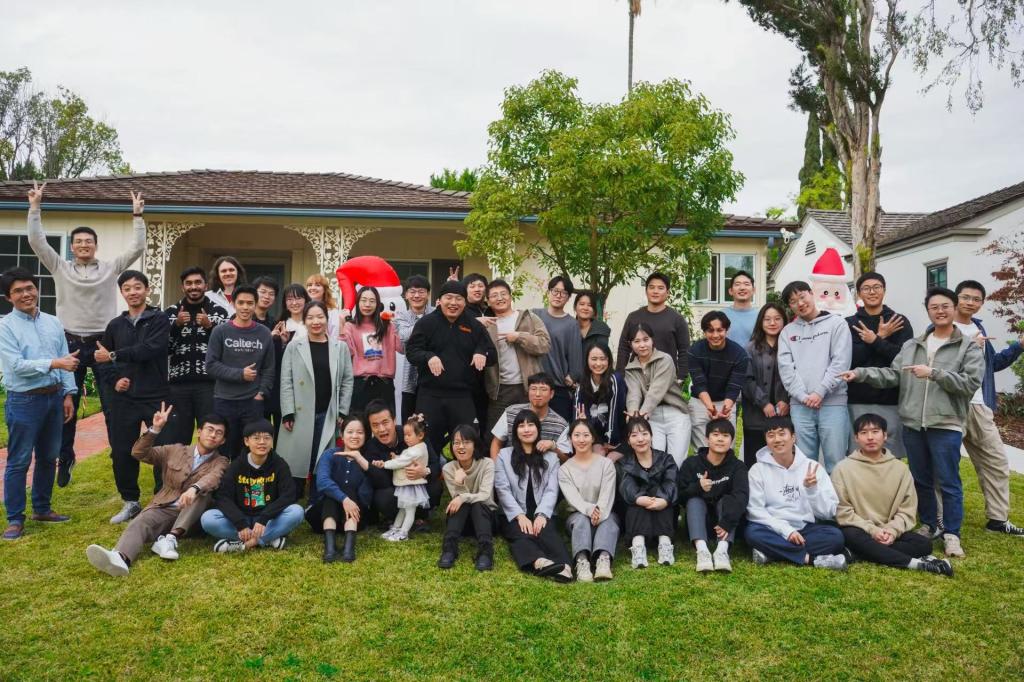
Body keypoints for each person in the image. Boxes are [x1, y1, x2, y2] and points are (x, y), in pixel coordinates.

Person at [842, 287, 984, 558]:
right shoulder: (913, 345)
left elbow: (970, 383)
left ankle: (952, 534)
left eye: (945, 306)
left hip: (945, 422)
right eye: (934, 307)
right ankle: (929, 524)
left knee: (949, 480)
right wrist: (860, 373)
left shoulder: (967, 347)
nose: (940, 311)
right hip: (913, 423)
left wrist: (934, 373)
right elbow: (893, 375)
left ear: (954, 309)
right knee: (921, 479)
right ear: (928, 311)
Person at [26, 182, 144, 489]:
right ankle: (65, 457)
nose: (83, 245)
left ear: (95, 245)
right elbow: (37, 242)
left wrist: (137, 216)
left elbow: (136, 249)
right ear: (72, 246)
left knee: (112, 404)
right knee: (67, 404)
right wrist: (35, 207)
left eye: (88, 241)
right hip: (70, 344)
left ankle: (118, 452)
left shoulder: (110, 269)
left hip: (103, 343)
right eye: (78, 241)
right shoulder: (60, 267)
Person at [85, 405, 229, 576]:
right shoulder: (175, 450)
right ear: (199, 432)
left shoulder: (221, 461)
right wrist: (155, 429)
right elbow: (139, 453)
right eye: (209, 430)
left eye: (218, 433)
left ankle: (171, 539)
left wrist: (194, 488)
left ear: (223, 441)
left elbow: (213, 478)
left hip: (194, 517)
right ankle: (120, 558)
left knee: (203, 493)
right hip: (165, 505)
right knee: (141, 521)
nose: (213, 435)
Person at [0, 267, 77, 540]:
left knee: (48, 457)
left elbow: (66, 358)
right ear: (8, 297)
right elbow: (17, 366)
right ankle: (14, 519)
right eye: (18, 291)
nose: (26, 294)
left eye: (29, 288)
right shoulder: (5, 327)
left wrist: (68, 394)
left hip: (55, 398)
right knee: (19, 460)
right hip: (24, 400)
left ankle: (42, 508)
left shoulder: (53, 322)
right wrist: (55, 364)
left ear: (37, 289)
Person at [831, 413, 953, 576]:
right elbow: (843, 511)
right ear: (856, 438)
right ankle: (916, 564)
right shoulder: (843, 468)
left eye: (875, 431)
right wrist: (873, 530)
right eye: (864, 433)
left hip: (889, 530)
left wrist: (891, 530)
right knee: (849, 535)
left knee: (924, 544)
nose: (870, 437)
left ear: (885, 435)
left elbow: (907, 509)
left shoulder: (900, 469)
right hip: (860, 529)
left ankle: (858, 553)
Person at [95, 270, 172, 524]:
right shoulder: (115, 325)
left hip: (155, 394)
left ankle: (162, 498)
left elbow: (150, 349)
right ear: (122, 293)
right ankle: (130, 501)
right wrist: (115, 380)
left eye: (137, 287)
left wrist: (115, 355)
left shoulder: (159, 319)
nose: (132, 292)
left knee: (162, 449)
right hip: (124, 398)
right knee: (122, 450)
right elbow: (102, 360)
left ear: (147, 289)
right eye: (127, 288)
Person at [952, 279, 1024, 536]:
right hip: (951, 406)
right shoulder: (941, 326)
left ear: (981, 304)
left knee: (996, 461)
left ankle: (997, 520)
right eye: (965, 297)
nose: (970, 302)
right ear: (956, 298)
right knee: (945, 465)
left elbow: (992, 364)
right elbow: (938, 366)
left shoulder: (979, 328)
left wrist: (1018, 346)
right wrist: (968, 347)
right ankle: (939, 520)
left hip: (980, 406)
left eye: (976, 299)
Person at [744, 415, 847, 570]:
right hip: (773, 528)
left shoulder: (812, 467)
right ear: (766, 440)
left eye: (782, 433)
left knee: (835, 537)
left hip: (805, 529)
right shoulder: (757, 470)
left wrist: (812, 490)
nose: (777, 439)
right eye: (771, 435)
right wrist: (787, 531)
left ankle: (771, 553)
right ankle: (811, 559)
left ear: (793, 437)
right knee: (752, 533)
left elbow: (828, 512)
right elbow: (755, 511)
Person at [405, 279, 496, 455]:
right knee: (426, 446)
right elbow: (412, 352)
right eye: (449, 297)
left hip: (462, 397)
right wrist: (428, 356)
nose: (453, 303)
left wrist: (481, 352)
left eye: (458, 298)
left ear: (465, 302)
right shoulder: (426, 323)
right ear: (439, 300)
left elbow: (492, 354)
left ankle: (464, 473)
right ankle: (430, 472)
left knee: (467, 445)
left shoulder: (474, 325)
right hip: (430, 395)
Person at [277, 301, 354, 495]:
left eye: (320, 317)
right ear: (304, 321)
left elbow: (347, 380)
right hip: (299, 413)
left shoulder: (340, 347)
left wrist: (342, 410)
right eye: (310, 318)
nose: (316, 322)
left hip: (328, 413)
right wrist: (288, 412)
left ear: (327, 319)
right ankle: (292, 497)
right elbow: (286, 381)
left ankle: (317, 499)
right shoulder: (294, 347)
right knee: (297, 459)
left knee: (322, 460)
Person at [778, 280, 853, 473]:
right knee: (804, 463)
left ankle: (836, 495)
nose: (800, 303)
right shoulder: (787, 332)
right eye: (793, 301)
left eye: (802, 296)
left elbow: (840, 362)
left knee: (836, 462)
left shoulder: (837, 324)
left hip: (833, 403)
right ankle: (808, 494)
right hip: (800, 406)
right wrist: (803, 397)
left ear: (812, 293)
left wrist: (820, 392)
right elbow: (786, 369)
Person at [200, 419, 303, 552]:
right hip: (242, 517)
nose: (262, 442)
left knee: (296, 512)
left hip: (268, 520)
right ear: (246, 441)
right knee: (208, 519)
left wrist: (265, 517)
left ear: (272, 441)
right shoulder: (236, 466)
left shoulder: (279, 464)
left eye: (267, 438)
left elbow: (288, 495)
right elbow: (223, 497)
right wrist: (239, 522)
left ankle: (247, 544)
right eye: (256, 438)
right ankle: (269, 538)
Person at [494, 410, 573, 582]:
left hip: (542, 510)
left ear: (538, 429)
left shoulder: (551, 458)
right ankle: (540, 563)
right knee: (521, 535)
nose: (526, 429)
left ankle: (565, 567)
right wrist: (520, 516)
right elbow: (502, 489)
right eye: (521, 426)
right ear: (515, 431)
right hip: (513, 513)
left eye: (530, 425)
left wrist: (542, 514)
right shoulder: (504, 456)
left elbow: (552, 490)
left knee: (548, 533)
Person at [845, 272, 914, 458]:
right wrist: (881, 337)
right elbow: (851, 360)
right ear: (859, 293)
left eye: (877, 287)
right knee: (858, 454)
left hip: (891, 398)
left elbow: (903, 359)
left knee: (890, 454)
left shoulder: (899, 321)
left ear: (884, 290)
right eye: (866, 288)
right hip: (857, 398)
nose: (872, 292)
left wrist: (875, 340)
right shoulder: (850, 323)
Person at [205, 285, 276, 459]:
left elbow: (269, 368)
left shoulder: (264, 333)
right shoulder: (220, 331)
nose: (245, 307)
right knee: (222, 451)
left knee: (249, 452)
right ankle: (222, 478)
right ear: (234, 304)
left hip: (252, 402)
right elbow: (211, 365)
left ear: (255, 305)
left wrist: (261, 393)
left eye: (250, 303)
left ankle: (245, 478)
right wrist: (240, 374)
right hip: (224, 400)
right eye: (241, 303)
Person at [165, 266, 229, 446]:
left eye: (198, 282)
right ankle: (180, 465)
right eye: (189, 283)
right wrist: (176, 326)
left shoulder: (219, 312)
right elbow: (164, 349)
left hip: (209, 384)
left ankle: (210, 465)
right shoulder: (170, 313)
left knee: (211, 435)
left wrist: (210, 327)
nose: (193, 287)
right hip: (178, 386)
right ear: (182, 287)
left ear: (205, 285)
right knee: (178, 437)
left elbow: (226, 349)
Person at [678, 418, 748, 573]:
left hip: (726, 523)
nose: (720, 439)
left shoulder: (738, 466)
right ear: (707, 439)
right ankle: (702, 551)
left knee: (728, 500)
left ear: (731, 441)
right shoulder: (691, 463)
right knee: (694, 500)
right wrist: (698, 487)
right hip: (699, 522)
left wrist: (727, 522)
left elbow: (741, 497)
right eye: (716, 434)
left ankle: (722, 550)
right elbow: (679, 496)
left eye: (725, 435)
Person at [483, 278, 551, 431]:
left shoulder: (529, 317)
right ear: (488, 301)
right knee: (495, 434)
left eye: (503, 294)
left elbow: (545, 344)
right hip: (499, 389)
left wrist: (520, 337)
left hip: (527, 387)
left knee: (529, 431)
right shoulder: (487, 324)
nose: (500, 298)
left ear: (510, 296)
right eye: (494, 295)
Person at [306, 415, 374, 563]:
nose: (354, 436)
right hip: (322, 516)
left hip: (356, 517)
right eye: (350, 432)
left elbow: (366, 495)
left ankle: (349, 548)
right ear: (342, 435)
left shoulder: (366, 461)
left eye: (360, 432)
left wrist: (349, 499)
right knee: (332, 495)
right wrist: (344, 499)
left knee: (349, 490)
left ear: (366, 436)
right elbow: (322, 482)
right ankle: (330, 548)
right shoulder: (330, 454)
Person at [558, 419, 619, 582]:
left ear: (593, 438)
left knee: (610, 522)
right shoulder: (564, 470)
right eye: (576, 435)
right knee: (581, 521)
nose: (581, 440)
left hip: (604, 512)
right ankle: (582, 561)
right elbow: (573, 498)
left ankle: (603, 560)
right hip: (577, 515)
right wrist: (589, 510)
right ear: (570, 439)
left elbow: (607, 494)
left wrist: (599, 512)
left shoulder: (606, 464)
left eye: (586, 435)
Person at [623, 322, 691, 468]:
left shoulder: (665, 359)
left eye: (646, 339)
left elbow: (656, 391)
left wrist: (641, 413)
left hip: (675, 413)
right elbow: (634, 393)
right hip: (651, 417)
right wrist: (633, 413)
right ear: (630, 344)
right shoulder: (630, 368)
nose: (642, 345)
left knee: (677, 462)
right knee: (654, 462)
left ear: (652, 340)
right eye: (637, 341)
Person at [364, 400, 437, 527]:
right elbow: (380, 481)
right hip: (394, 489)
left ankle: (421, 515)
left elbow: (435, 463)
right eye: (375, 425)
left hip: (418, 484)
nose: (381, 429)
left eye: (385, 422)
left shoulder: (411, 433)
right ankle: (396, 518)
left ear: (394, 420)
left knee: (435, 486)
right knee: (383, 496)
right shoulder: (370, 448)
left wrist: (424, 471)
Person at [618, 416, 678, 568]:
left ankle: (665, 544)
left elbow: (671, 482)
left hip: (662, 511)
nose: (640, 439)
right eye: (634, 435)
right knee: (635, 501)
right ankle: (638, 546)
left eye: (645, 434)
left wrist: (663, 499)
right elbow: (626, 486)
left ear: (651, 436)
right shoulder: (625, 463)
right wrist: (639, 499)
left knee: (663, 498)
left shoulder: (666, 459)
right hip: (638, 513)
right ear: (628, 441)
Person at [687, 310, 749, 449]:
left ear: (727, 330)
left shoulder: (739, 354)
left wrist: (725, 410)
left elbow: (734, 387)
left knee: (725, 449)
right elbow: (699, 384)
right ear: (704, 332)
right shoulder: (694, 351)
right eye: (710, 330)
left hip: (726, 402)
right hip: (700, 402)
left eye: (719, 330)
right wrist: (711, 408)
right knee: (702, 450)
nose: (715, 335)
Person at [439, 424, 497, 571]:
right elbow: (456, 499)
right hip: (462, 522)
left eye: (466, 442)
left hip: (486, 519)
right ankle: (449, 549)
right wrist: (459, 483)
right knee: (461, 503)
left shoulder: (487, 464)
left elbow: (485, 495)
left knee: (476, 504)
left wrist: (462, 497)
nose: (461, 447)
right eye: (456, 443)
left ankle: (485, 552)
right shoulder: (448, 468)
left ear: (475, 444)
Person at [615, 272, 690, 383]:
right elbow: (624, 348)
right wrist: (620, 375)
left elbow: (684, 350)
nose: (655, 291)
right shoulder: (633, 317)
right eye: (651, 287)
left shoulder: (677, 319)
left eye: (660, 288)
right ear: (646, 291)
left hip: (666, 378)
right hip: (637, 378)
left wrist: (681, 377)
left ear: (668, 292)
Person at [742, 302, 790, 467]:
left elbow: (796, 376)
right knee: (755, 462)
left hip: (785, 414)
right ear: (760, 322)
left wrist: (786, 400)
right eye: (767, 319)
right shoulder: (750, 348)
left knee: (783, 461)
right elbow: (746, 380)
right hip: (755, 416)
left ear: (784, 321)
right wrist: (763, 403)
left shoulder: (791, 346)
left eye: (777, 319)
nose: (772, 323)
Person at [342, 285, 402, 414]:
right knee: (360, 422)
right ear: (357, 303)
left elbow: (401, 348)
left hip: (384, 383)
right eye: (363, 300)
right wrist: (342, 327)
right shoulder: (350, 326)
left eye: (372, 301)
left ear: (378, 304)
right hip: (360, 383)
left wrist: (397, 325)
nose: (367, 304)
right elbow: (346, 352)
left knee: (384, 424)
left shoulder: (387, 325)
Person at [371, 415, 431, 541]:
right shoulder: (415, 448)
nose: (406, 438)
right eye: (405, 435)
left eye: (409, 435)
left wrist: (384, 464)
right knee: (403, 509)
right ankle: (396, 528)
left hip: (411, 486)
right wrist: (396, 457)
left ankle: (404, 533)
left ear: (420, 435)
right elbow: (403, 459)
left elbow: (402, 462)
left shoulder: (416, 451)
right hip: (407, 484)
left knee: (409, 511)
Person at [533, 275, 584, 421]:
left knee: (559, 428)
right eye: (555, 291)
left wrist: (573, 376)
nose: (558, 295)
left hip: (557, 387)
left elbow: (575, 356)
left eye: (563, 293)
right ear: (548, 292)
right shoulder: (535, 315)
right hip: (534, 385)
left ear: (568, 298)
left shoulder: (571, 324)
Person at [490, 373, 571, 460]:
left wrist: (553, 446)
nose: (537, 394)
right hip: (511, 465)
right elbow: (496, 444)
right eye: (533, 389)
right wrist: (498, 466)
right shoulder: (511, 412)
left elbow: (566, 459)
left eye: (543, 389)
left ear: (551, 394)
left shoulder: (561, 424)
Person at [574, 342, 627, 460]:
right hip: (595, 435)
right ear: (587, 360)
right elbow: (578, 413)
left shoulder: (615, 380)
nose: (598, 363)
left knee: (608, 460)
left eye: (603, 359)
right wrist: (583, 422)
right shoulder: (582, 383)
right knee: (597, 457)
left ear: (609, 360)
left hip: (618, 436)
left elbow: (615, 412)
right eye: (594, 359)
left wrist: (610, 441)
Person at [393, 275, 434, 421]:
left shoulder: (436, 312)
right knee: (408, 423)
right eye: (412, 291)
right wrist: (428, 323)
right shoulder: (401, 315)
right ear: (406, 295)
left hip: (433, 379)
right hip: (409, 378)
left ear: (428, 294)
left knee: (430, 423)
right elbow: (404, 336)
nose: (417, 295)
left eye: (421, 291)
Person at [721, 270, 759, 345]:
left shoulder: (761, 315)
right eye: (737, 284)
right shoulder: (721, 315)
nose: (742, 288)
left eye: (746, 284)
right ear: (730, 291)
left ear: (753, 290)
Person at [304, 273, 342, 339]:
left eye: (317, 285)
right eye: (310, 285)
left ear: (324, 289)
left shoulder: (332, 312)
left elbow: (334, 335)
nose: (312, 288)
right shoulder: (303, 309)